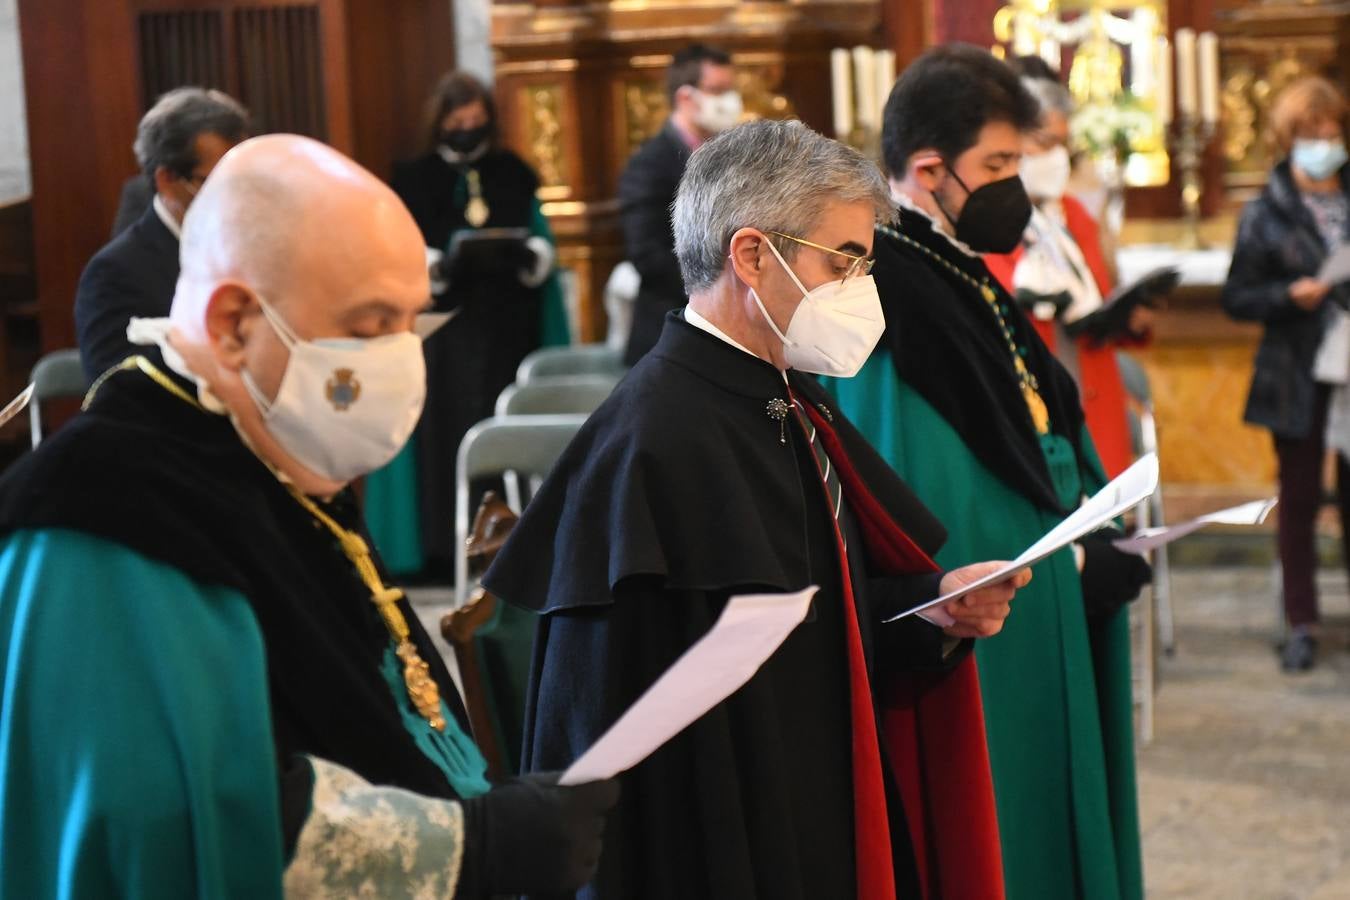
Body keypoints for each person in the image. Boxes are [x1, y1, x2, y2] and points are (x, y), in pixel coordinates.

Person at [0, 134, 617, 899]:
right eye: (367, 328)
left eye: (411, 323)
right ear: (231, 324)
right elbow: (171, 835)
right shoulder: (107, 511)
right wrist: (476, 846)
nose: (400, 361)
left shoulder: (263, 459)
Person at [485, 119, 1029, 900]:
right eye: (846, 261)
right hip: (719, 841)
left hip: (810, 801)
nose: (862, 288)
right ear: (751, 254)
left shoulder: (779, 395)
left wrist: (931, 609)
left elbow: (817, 611)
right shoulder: (650, 441)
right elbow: (603, 719)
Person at [823, 45, 1148, 900]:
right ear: (928, 170)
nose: (1017, 185)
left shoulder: (957, 265)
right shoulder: (888, 288)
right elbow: (926, 493)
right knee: (1010, 824)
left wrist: (1099, 519)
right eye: (997, 165)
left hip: (1048, 570)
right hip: (1005, 607)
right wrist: (1073, 560)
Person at [368, 71, 569, 577]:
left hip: (508, 326)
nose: (468, 129)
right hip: (444, 333)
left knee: (506, 424)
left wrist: (531, 252)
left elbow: (541, 238)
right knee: (445, 433)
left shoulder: (512, 171)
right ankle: (442, 550)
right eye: (458, 121)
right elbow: (397, 248)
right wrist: (435, 261)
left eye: (477, 121)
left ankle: (516, 546)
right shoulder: (413, 178)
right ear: (440, 123)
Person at [1222, 76, 1350, 673]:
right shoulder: (1265, 211)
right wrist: (1287, 295)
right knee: (1298, 498)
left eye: (1331, 130)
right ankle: (1302, 621)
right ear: (1288, 138)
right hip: (1296, 368)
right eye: (1310, 131)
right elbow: (1238, 296)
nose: (1324, 140)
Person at [984, 65, 1151, 479]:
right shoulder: (989, 222)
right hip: (1034, 397)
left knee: (1103, 522)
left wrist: (1127, 317)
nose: (1058, 157)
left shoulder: (1075, 214)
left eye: (1064, 144)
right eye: (1046, 143)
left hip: (1092, 386)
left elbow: (1097, 296)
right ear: (1011, 143)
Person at [74, 87, 249, 381]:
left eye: (241, 178)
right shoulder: (113, 273)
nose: (234, 194)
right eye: (217, 180)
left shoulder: (253, 244)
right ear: (167, 180)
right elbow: (113, 387)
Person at [620, 43, 741, 364]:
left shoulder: (730, 157)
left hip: (728, 325)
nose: (729, 100)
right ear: (686, 97)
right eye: (717, 90)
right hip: (671, 331)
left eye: (730, 89)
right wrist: (720, 287)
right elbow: (647, 255)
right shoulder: (650, 163)